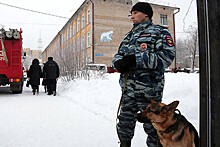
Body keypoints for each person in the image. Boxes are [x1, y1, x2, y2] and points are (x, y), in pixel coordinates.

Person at [112, 2, 175, 147]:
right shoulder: (129, 35)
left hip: (149, 91)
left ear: (146, 14)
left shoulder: (160, 32)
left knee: (154, 128)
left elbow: (166, 58)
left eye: (135, 13)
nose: (132, 17)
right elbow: (119, 54)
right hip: (128, 90)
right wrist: (118, 63)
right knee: (124, 124)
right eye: (131, 14)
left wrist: (136, 60)